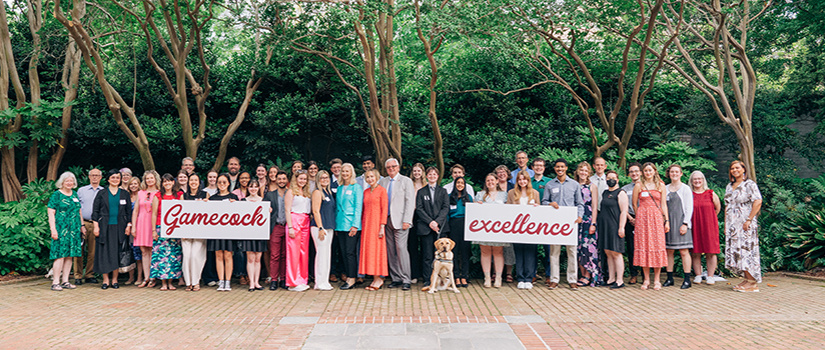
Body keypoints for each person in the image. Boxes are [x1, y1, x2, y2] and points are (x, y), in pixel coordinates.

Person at [542, 158, 584, 291]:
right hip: (555, 223)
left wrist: (580, 216)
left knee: (572, 251)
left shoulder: (574, 184)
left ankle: (572, 280)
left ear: (566, 168)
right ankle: (554, 280)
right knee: (554, 252)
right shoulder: (549, 185)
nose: (559, 169)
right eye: (557, 167)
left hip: (571, 223)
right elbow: (543, 202)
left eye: (562, 167)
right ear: (554, 169)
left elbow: (580, 204)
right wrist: (550, 204)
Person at [725, 160, 763, 293]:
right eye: (732, 168)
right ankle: (747, 280)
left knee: (747, 251)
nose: (735, 170)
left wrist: (749, 219)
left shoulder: (749, 184)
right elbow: (727, 206)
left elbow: (758, 201)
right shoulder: (730, 186)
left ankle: (753, 283)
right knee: (738, 252)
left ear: (743, 169)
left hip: (745, 224)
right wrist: (726, 225)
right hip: (733, 226)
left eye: (737, 168)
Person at [379, 158, 416, 291]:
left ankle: (406, 279)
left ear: (398, 167)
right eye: (388, 167)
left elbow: (410, 202)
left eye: (393, 166)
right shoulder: (383, 181)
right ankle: (396, 278)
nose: (391, 169)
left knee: (401, 249)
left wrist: (407, 220)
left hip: (401, 221)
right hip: (386, 220)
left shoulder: (406, 181)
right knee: (391, 250)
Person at [92, 169, 132, 290]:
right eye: (113, 177)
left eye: (117, 178)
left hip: (120, 227)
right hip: (104, 227)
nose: (115, 180)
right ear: (108, 179)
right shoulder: (101, 193)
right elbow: (95, 211)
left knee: (116, 253)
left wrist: (128, 225)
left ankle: (114, 280)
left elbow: (128, 211)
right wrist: (96, 226)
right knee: (104, 253)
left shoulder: (124, 194)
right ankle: (105, 280)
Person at [632, 162, 669, 291]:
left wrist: (667, 220)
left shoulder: (661, 185)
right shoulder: (639, 185)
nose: (648, 173)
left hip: (657, 218)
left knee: (657, 246)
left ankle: (657, 279)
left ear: (654, 171)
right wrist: (640, 216)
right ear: (643, 172)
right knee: (644, 246)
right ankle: (646, 279)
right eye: (646, 171)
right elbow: (634, 204)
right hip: (643, 218)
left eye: (650, 170)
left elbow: (664, 204)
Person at [415, 167, 451, 290]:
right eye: (429, 174)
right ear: (426, 176)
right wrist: (430, 222)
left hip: (440, 228)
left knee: (441, 256)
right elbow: (419, 209)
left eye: (434, 174)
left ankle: (441, 280)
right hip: (425, 227)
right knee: (427, 255)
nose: (432, 176)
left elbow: (445, 208)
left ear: (437, 176)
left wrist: (437, 222)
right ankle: (427, 280)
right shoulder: (421, 191)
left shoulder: (443, 191)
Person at [47, 172, 83, 291]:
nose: (69, 183)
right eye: (67, 181)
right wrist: (53, 229)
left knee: (70, 256)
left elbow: (79, 212)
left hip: (74, 230)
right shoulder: (56, 195)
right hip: (61, 229)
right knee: (60, 255)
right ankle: (55, 281)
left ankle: (65, 281)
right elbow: (51, 213)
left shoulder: (75, 194)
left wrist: (82, 226)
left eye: (71, 181)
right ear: (62, 182)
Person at [507, 170, 541, 290]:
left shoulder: (535, 193)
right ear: (517, 181)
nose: (522, 181)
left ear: (528, 180)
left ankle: (529, 278)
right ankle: (520, 278)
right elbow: (507, 209)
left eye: (524, 179)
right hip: (517, 228)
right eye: (520, 179)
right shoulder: (511, 193)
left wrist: (537, 207)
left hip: (531, 229)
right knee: (519, 253)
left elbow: (541, 211)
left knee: (530, 253)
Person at [150, 174, 184, 291]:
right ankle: (163, 283)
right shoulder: (158, 196)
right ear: (162, 183)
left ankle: (171, 282)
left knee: (173, 256)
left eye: (169, 181)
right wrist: (154, 230)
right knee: (162, 256)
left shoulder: (179, 195)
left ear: (173, 182)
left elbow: (183, 212)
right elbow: (154, 214)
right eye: (165, 182)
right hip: (160, 227)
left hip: (174, 228)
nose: (167, 183)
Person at [475, 173, 509, 288]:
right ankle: (487, 278)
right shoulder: (480, 194)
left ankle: (498, 277)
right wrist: (476, 205)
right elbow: (474, 211)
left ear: (497, 181)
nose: (490, 182)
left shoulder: (504, 195)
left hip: (499, 229)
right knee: (485, 252)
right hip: (484, 228)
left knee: (498, 252)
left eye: (492, 180)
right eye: (488, 181)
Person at [664, 164, 694, 289]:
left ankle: (687, 279)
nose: (674, 174)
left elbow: (689, 207)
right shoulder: (665, 188)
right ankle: (669, 278)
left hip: (681, 223)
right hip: (668, 224)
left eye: (677, 172)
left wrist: (685, 224)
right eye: (672, 172)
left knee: (683, 251)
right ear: (669, 174)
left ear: (681, 174)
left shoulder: (685, 189)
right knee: (669, 251)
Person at [689, 170, 721, 285]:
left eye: (699, 179)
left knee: (711, 251)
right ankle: (698, 275)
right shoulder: (689, 194)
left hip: (709, 226)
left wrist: (709, 218)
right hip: (695, 225)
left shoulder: (711, 193)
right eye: (694, 179)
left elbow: (717, 209)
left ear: (703, 180)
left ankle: (710, 276)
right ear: (691, 181)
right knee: (695, 251)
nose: (697, 181)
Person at [597, 170, 629, 289]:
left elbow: (624, 211)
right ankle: (611, 278)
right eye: (608, 178)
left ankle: (620, 280)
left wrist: (621, 227)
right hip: (604, 226)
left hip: (615, 226)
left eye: (613, 178)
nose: (610, 180)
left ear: (617, 180)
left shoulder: (621, 193)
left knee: (616, 252)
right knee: (608, 252)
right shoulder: (605, 193)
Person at [207, 174, 239, 291]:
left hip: (229, 232)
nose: (221, 184)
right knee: (218, 255)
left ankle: (228, 281)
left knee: (228, 255)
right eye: (219, 182)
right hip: (216, 231)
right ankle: (221, 281)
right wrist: (204, 204)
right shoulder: (212, 198)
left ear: (228, 183)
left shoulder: (233, 197)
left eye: (224, 182)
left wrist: (235, 204)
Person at [335, 163, 363, 290]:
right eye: (343, 171)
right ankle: (348, 276)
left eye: (347, 171)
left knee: (350, 252)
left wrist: (355, 225)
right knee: (343, 253)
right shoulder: (340, 188)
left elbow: (358, 208)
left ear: (351, 173)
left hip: (351, 225)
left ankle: (352, 278)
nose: (345, 173)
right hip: (340, 225)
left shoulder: (356, 187)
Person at [360, 169, 389, 290]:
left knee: (377, 250)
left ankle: (379, 278)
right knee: (369, 250)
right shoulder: (366, 191)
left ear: (377, 177)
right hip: (367, 224)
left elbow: (384, 209)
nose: (370, 179)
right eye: (368, 177)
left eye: (372, 176)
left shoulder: (382, 191)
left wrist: (382, 226)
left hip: (377, 225)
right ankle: (373, 277)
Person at [74, 168, 104, 286]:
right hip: (83, 223)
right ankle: (77, 275)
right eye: (93, 175)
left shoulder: (104, 191)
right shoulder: (81, 190)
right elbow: (77, 208)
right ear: (89, 176)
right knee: (79, 250)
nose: (95, 177)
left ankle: (89, 274)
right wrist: (81, 224)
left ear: (101, 177)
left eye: (97, 175)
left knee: (93, 251)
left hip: (96, 224)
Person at [284, 170, 312, 292]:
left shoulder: (306, 192)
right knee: (293, 253)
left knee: (303, 252)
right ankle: (292, 282)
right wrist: (290, 227)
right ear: (296, 179)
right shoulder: (291, 192)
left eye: (305, 179)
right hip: (294, 220)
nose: (303, 181)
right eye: (300, 179)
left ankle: (301, 279)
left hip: (305, 221)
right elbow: (287, 210)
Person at [574, 162, 600, 287]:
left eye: (586, 170)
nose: (583, 172)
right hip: (575, 219)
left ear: (589, 173)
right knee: (578, 248)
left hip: (588, 218)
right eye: (581, 170)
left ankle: (588, 275)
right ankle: (581, 273)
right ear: (578, 171)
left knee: (588, 247)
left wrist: (593, 223)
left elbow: (594, 207)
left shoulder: (592, 186)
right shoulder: (573, 185)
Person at [132, 170, 160, 288]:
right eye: (147, 178)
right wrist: (133, 226)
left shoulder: (159, 193)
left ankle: (153, 277)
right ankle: (146, 277)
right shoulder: (140, 193)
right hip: (142, 222)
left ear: (155, 179)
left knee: (153, 250)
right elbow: (136, 210)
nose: (149, 180)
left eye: (151, 178)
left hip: (153, 223)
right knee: (144, 250)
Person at [182, 173, 208, 291]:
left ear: (199, 182)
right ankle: (188, 282)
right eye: (191, 180)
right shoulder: (183, 195)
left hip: (200, 231)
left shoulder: (205, 195)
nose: (193, 182)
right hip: (186, 232)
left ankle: (196, 281)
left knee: (196, 256)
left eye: (195, 180)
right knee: (187, 256)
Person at [310, 170, 336, 291]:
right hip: (320, 227)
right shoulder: (317, 192)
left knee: (326, 255)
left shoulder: (328, 192)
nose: (325, 180)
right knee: (321, 255)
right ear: (318, 180)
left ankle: (325, 281)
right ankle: (319, 282)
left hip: (329, 227)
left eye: (327, 178)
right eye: (322, 178)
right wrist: (320, 227)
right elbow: (315, 211)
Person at [240, 180, 267, 291]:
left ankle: (257, 282)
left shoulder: (263, 201)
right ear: (248, 188)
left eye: (256, 187)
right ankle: (251, 282)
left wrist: (268, 211)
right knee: (250, 259)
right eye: (251, 186)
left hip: (260, 233)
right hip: (248, 233)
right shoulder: (243, 201)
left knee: (258, 259)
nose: (253, 189)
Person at [265, 171, 289, 290]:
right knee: (274, 255)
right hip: (276, 226)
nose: (281, 181)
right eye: (279, 179)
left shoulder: (290, 193)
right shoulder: (270, 195)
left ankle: (284, 279)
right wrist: (266, 210)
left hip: (288, 226)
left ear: (287, 180)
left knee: (285, 255)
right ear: (276, 180)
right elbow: (262, 210)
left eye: (284, 179)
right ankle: (274, 279)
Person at [448, 177, 473, 288]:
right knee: (454, 252)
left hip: (465, 225)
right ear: (455, 184)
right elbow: (447, 213)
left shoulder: (469, 197)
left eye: (462, 183)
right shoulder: (449, 197)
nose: (460, 185)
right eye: (458, 183)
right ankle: (456, 277)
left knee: (465, 252)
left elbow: (474, 212)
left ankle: (464, 276)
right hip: (453, 225)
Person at [621, 163, 642, 284]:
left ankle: (645, 274)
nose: (634, 173)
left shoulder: (647, 186)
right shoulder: (625, 188)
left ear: (640, 172)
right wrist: (630, 218)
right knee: (631, 247)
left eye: (636, 171)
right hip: (630, 219)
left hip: (644, 218)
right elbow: (622, 206)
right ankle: (634, 274)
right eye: (631, 172)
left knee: (645, 247)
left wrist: (640, 217)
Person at [494, 164, 515, 282]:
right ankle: (495, 272)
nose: (501, 174)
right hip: (495, 222)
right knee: (495, 247)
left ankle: (508, 273)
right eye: (499, 172)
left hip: (509, 222)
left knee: (509, 247)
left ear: (507, 174)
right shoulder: (492, 186)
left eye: (503, 172)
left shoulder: (513, 186)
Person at [408, 163, 427, 283]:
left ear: (422, 172)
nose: (416, 173)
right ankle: (414, 274)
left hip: (424, 217)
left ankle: (425, 274)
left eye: (418, 171)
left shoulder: (426, 185)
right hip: (411, 216)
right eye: (414, 171)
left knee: (425, 247)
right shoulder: (409, 184)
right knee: (412, 246)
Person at [125, 177, 143, 285]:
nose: (133, 186)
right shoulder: (126, 196)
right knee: (130, 252)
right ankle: (131, 277)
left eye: (135, 184)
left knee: (139, 253)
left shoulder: (142, 196)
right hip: (128, 228)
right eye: (131, 184)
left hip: (139, 227)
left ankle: (139, 277)